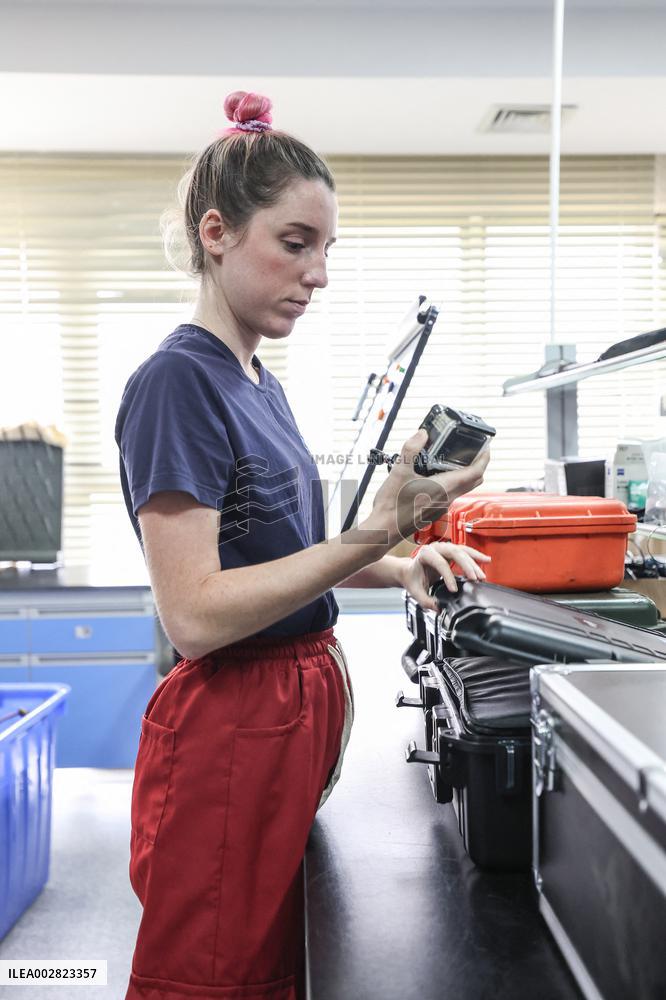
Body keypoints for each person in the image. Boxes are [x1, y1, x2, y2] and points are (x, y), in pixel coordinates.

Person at [115, 90, 490, 1000]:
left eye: (327, 250)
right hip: (231, 725)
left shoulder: (258, 382)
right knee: (210, 976)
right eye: (295, 243)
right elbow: (197, 615)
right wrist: (382, 525)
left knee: (280, 966)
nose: (318, 273)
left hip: (292, 709)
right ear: (216, 233)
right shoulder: (176, 384)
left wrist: (401, 562)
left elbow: (291, 546)